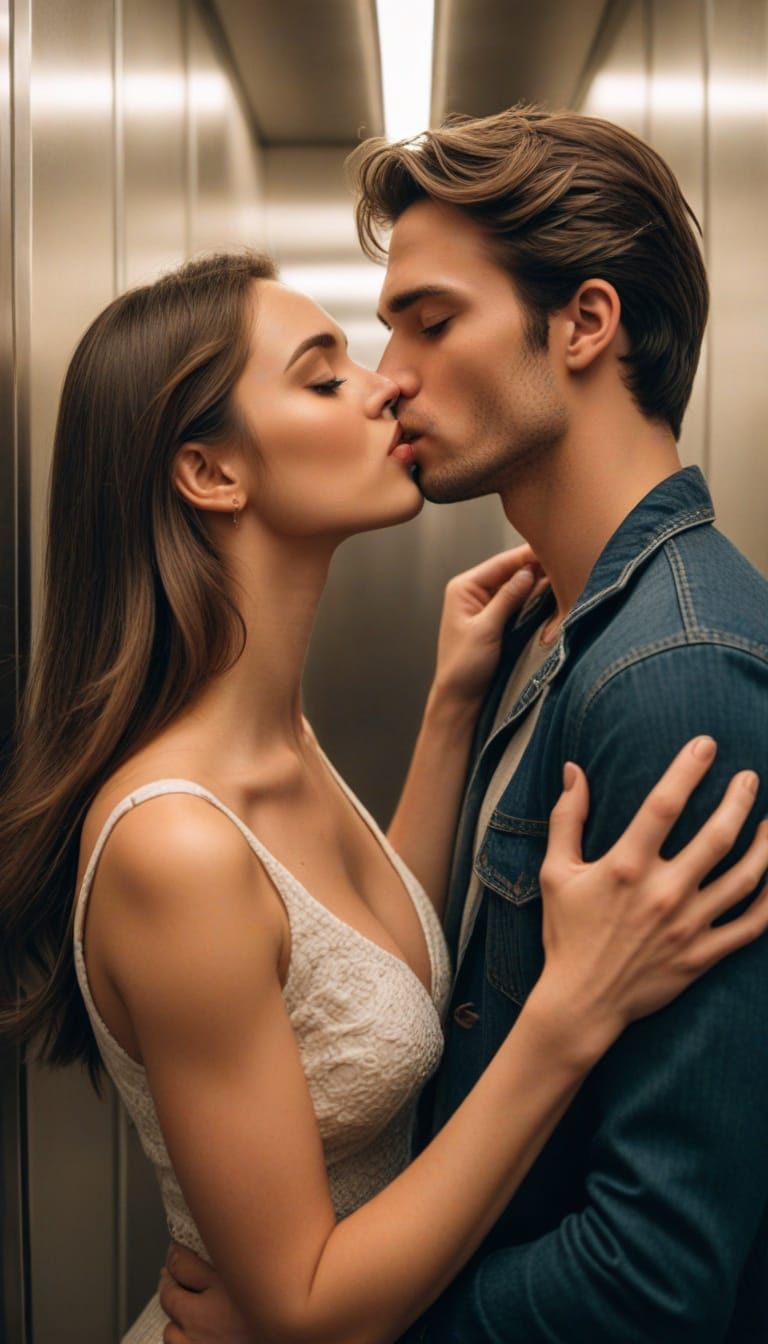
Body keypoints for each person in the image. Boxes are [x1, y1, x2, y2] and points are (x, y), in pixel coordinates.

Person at [159, 108, 768, 1343]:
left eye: (430, 322)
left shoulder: (675, 677)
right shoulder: (546, 624)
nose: (390, 375)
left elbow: (658, 1275)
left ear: (586, 323)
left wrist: (337, 1332)